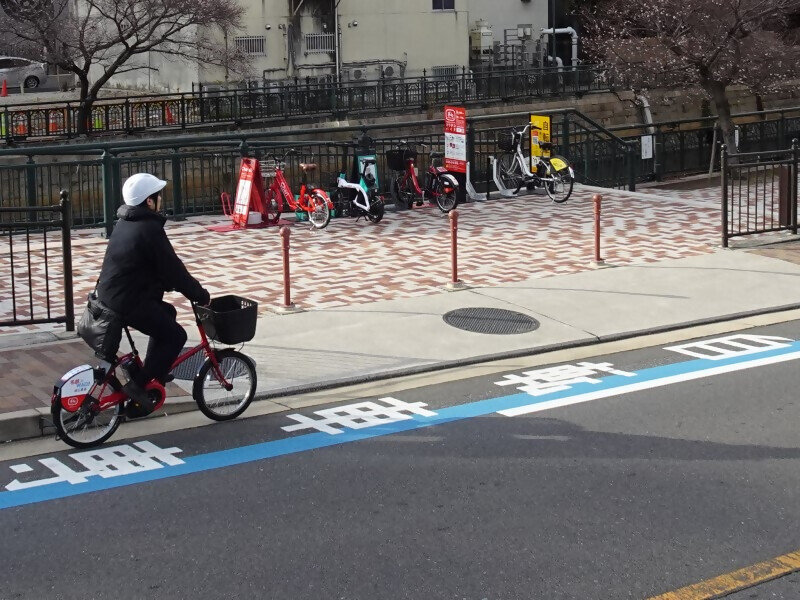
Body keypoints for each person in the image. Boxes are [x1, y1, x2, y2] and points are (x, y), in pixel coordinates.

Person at [95, 173, 211, 418]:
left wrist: (164, 282)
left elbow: (142, 264)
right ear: (149, 201)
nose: (160, 200)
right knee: (176, 335)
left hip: (113, 296)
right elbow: (174, 270)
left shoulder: (125, 222)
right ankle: (139, 386)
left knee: (167, 312)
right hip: (127, 301)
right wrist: (200, 295)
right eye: (158, 196)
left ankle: (151, 372)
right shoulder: (149, 229)